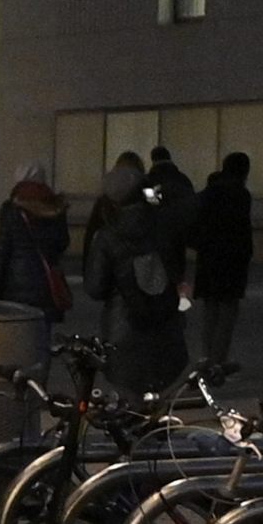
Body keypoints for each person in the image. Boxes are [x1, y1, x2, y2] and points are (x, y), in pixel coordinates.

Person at [84, 155, 189, 394]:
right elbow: (176, 267)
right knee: (159, 403)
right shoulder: (162, 226)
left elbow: (95, 287)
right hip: (166, 326)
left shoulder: (107, 237)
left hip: (123, 330)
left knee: (129, 404)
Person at [189, 152, 255, 378]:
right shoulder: (241, 195)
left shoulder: (206, 195)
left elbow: (193, 224)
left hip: (208, 258)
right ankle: (219, 358)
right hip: (232, 259)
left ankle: (206, 355)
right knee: (227, 311)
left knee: (210, 309)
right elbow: (242, 230)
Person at [0, 169, 71, 316]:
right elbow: (63, 242)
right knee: (43, 332)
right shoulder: (56, 205)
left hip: (15, 285)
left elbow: (2, 252)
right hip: (47, 286)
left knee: (19, 332)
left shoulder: (11, 208)